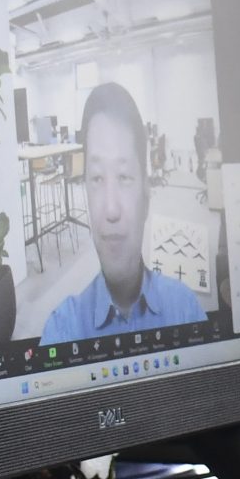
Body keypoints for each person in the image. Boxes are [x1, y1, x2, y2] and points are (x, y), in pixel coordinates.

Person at [35, 81, 207, 343]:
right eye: (96, 178)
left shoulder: (185, 311)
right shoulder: (63, 330)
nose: (111, 210)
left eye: (124, 176)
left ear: (146, 198)